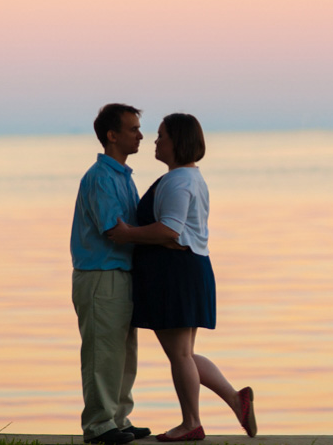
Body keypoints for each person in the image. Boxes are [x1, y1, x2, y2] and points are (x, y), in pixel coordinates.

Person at [108, 113, 256, 442]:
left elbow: (170, 230)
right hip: (188, 268)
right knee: (184, 354)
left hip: (175, 272)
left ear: (178, 142)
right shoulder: (190, 178)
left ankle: (191, 423)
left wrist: (127, 233)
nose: (155, 141)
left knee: (180, 355)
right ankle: (235, 399)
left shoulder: (178, 181)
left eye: (162, 136)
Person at [71, 104, 158, 444]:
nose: (140, 134)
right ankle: (98, 424)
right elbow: (115, 231)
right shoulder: (101, 178)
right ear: (112, 135)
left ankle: (118, 418)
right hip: (100, 274)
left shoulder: (122, 175)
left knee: (123, 352)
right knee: (102, 352)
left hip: (120, 273)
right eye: (133, 128)